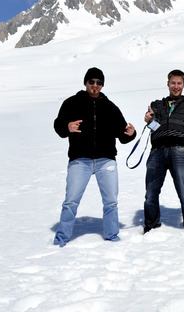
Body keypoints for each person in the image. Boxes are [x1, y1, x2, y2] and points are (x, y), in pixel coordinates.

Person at [52, 67, 136, 245]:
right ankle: (61, 238)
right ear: (85, 83)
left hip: (106, 160)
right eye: (92, 82)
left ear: (102, 85)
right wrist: (67, 127)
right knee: (71, 201)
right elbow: (58, 125)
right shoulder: (71, 103)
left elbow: (122, 135)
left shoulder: (110, 107)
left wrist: (130, 133)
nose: (95, 85)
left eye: (99, 83)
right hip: (79, 160)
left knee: (111, 202)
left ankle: (112, 235)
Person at [139, 69, 184, 236]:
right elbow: (152, 121)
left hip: (179, 151)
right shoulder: (157, 104)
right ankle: (151, 224)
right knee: (151, 192)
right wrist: (148, 118)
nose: (176, 86)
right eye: (173, 83)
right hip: (157, 152)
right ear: (168, 83)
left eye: (179, 83)